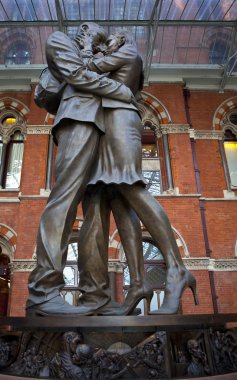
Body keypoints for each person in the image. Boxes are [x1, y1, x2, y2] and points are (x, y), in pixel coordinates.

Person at [77, 31, 199, 315]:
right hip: (109, 125)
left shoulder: (129, 52)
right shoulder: (119, 56)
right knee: (119, 199)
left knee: (132, 187)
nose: (102, 48)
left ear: (120, 40)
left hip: (121, 122)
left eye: (105, 43)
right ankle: (139, 284)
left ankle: (177, 269)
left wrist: (85, 46)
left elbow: (87, 70)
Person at [26, 23, 135, 316]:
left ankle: (95, 296)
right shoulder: (59, 41)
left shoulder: (94, 58)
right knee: (63, 200)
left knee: (97, 215)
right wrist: (119, 90)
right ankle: (43, 291)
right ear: (82, 30)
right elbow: (77, 76)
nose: (93, 43)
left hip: (102, 130)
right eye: (92, 36)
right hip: (77, 121)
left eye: (99, 42)